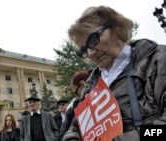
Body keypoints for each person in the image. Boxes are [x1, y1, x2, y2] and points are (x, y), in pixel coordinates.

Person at [62, 5, 166, 141]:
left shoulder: (158, 60)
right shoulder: (91, 86)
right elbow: (76, 128)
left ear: (116, 28)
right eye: (83, 50)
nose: (90, 53)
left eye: (93, 40)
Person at [59, 70, 91, 141]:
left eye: (76, 93)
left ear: (83, 84)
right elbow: (69, 129)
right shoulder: (73, 107)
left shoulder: (103, 97)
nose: (76, 97)